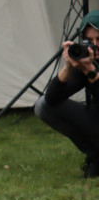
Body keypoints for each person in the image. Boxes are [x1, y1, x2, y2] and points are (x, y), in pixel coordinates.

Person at [34, 10, 99, 178]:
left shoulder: (91, 67)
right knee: (42, 106)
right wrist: (69, 66)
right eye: (89, 41)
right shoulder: (88, 62)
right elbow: (51, 100)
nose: (94, 45)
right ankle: (96, 156)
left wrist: (92, 73)